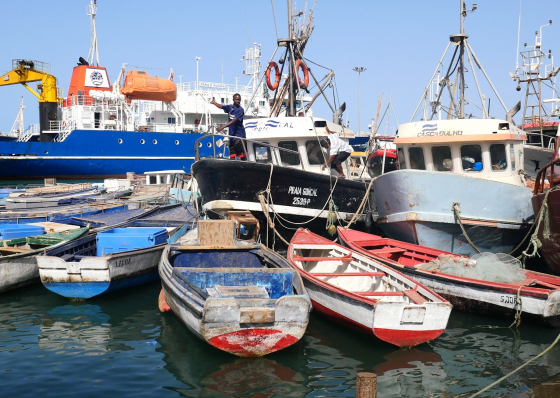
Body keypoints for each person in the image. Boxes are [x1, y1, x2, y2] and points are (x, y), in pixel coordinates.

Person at [210, 93, 246, 160]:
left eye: (239, 100)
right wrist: (214, 102)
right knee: (232, 155)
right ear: (233, 99)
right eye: (236, 99)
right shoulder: (230, 107)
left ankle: (245, 168)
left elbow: (234, 121)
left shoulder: (240, 110)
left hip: (239, 136)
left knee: (241, 155)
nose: (238, 101)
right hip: (231, 135)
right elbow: (221, 106)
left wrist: (223, 127)